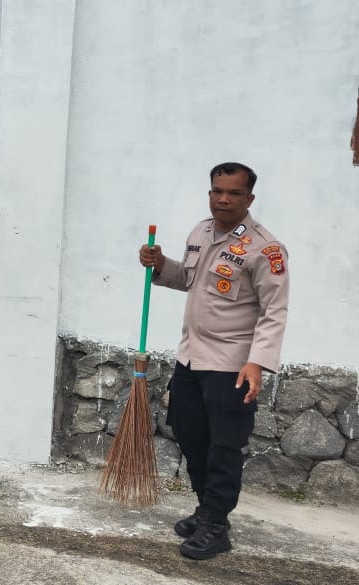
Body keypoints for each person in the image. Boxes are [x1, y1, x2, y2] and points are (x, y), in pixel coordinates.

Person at [139, 162, 289, 560]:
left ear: (249, 198)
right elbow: (189, 281)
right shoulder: (200, 232)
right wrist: (160, 265)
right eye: (217, 191)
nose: (223, 199)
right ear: (210, 193)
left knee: (224, 446)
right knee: (190, 435)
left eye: (233, 193)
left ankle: (217, 525)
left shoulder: (265, 249)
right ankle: (207, 508)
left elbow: (274, 311)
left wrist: (257, 362)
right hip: (190, 358)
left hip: (231, 365)